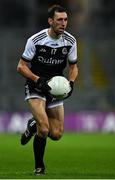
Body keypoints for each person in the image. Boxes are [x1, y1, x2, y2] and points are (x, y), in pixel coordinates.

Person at [17, 4, 78, 175]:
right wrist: (37, 80)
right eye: (59, 20)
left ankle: (32, 123)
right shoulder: (36, 40)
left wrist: (71, 82)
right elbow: (21, 67)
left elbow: (74, 67)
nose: (63, 23)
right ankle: (39, 167)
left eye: (66, 19)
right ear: (51, 21)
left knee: (57, 134)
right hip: (36, 86)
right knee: (44, 129)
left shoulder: (71, 41)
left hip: (55, 89)